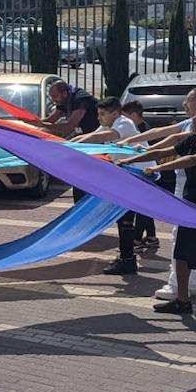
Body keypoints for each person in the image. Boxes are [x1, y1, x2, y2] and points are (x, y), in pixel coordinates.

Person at [119, 102, 196, 329]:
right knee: (180, 256)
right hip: (187, 207)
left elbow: (191, 160)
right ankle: (182, 300)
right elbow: (164, 152)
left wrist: (158, 169)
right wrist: (130, 161)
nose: (195, 119)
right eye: (195, 115)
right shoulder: (192, 140)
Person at [70, 97, 144, 275]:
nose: (99, 118)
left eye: (102, 114)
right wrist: (66, 143)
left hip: (137, 175)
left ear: (115, 114)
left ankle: (127, 260)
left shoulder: (124, 124)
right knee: (123, 218)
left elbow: (96, 138)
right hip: (124, 175)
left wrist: (67, 147)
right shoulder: (108, 124)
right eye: (98, 114)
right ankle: (126, 257)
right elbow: (89, 136)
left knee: (125, 218)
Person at [121, 100, 158, 250]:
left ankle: (136, 239)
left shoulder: (141, 132)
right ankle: (151, 237)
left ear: (134, 115)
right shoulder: (139, 128)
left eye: (125, 117)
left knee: (141, 208)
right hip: (144, 172)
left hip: (146, 173)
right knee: (144, 206)